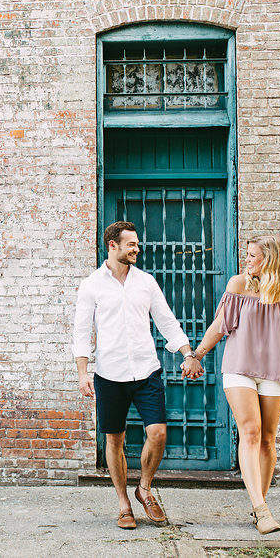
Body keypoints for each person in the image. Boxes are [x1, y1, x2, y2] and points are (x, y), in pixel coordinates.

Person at [73, 221, 202, 530]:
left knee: (157, 433)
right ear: (112, 246)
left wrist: (188, 354)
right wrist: (82, 373)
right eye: (131, 244)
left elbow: (167, 321)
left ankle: (144, 488)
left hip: (146, 371)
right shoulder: (92, 284)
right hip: (109, 374)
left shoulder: (146, 282)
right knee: (114, 440)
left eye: (137, 244)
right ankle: (123, 504)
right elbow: (81, 331)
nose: (137, 249)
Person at [188, 235, 280, 534]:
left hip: (275, 371)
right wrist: (197, 354)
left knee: (267, 439)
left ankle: (259, 505)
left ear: (269, 259)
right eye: (248, 255)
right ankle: (262, 510)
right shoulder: (238, 285)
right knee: (251, 431)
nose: (247, 260)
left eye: (253, 255)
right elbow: (220, 325)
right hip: (239, 369)